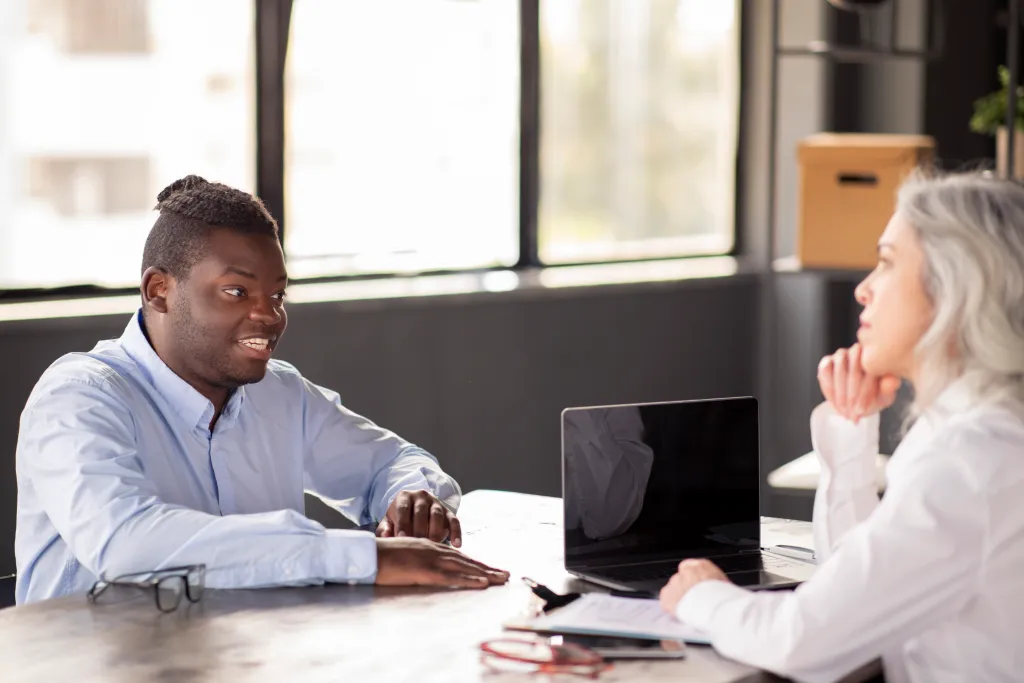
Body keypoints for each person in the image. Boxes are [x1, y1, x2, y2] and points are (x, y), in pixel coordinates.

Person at [15, 175, 509, 604]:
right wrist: (363, 557)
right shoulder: (79, 397)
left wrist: (413, 496)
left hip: (247, 657)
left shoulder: (280, 393)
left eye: (277, 295)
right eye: (237, 292)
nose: (269, 315)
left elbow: (392, 462)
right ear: (158, 290)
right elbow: (126, 543)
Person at [659, 170, 1024, 682]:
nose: (863, 289)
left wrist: (702, 596)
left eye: (887, 263)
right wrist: (854, 425)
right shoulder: (971, 430)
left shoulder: (971, 460)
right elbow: (854, 590)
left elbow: (803, 641)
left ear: (957, 291)